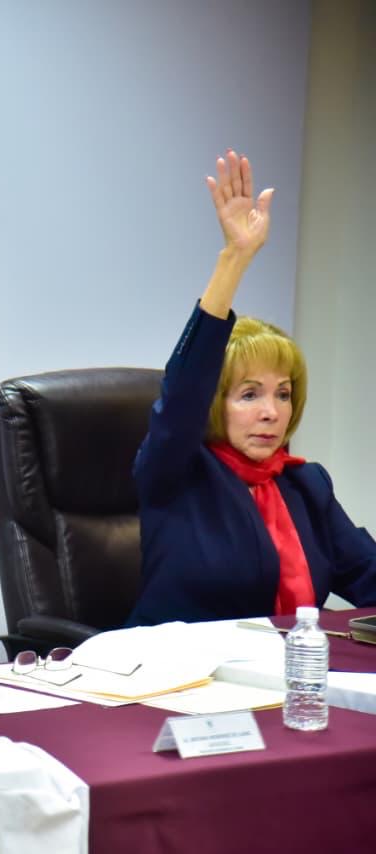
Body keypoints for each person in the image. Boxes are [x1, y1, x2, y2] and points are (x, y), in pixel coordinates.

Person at [127, 150, 376, 626]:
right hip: (180, 664)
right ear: (213, 402)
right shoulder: (175, 470)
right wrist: (234, 258)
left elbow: (368, 574)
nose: (272, 412)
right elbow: (183, 393)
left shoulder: (306, 485)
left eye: (282, 394)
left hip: (286, 664)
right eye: (249, 394)